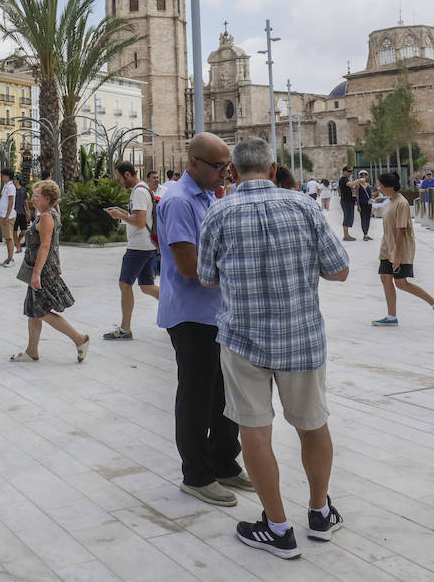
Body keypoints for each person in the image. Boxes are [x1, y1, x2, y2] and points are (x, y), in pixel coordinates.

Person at [197, 136, 350, 560]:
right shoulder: (303, 205)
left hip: (243, 340)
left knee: (255, 431)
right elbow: (339, 270)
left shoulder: (218, 212)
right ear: (271, 167)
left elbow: (207, 278)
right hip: (301, 337)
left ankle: (278, 528)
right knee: (313, 425)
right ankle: (320, 513)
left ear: (234, 171)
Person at [157, 133, 253, 509]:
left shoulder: (209, 198)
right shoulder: (180, 202)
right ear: (193, 163)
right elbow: (188, 266)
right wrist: (241, 268)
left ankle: (224, 462)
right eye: (217, 167)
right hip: (192, 316)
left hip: (216, 312)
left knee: (224, 394)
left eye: (226, 166)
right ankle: (196, 475)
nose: (224, 174)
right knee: (196, 397)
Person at [9, 179, 90, 363]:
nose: (33, 199)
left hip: (43, 271)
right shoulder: (50, 212)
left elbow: (45, 246)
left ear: (46, 198)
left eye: (36, 196)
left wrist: (36, 273)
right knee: (33, 310)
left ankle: (79, 339)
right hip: (41, 268)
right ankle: (32, 351)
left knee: (41, 311)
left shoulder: (46, 217)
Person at [371, 172, 434, 328]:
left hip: (401, 249)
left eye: (382, 186)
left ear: (390, 186)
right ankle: (391, 316)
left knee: (401, 283)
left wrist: (397, 256)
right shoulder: (389, 201)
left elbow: (401, 231)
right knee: (385, 278)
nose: (380, 189)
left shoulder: (401, 203)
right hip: (387, 247)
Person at [103, 161, 160, 341]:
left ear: (127, 174)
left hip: (138, 246)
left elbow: (140, 222)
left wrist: (119, 216)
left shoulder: (139, 192)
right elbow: (138, 217)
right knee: (146, 286)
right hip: (147, 245)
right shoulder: (143, 189)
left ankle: (125, 329)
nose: (118, 182)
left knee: (124, 284)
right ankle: (178, 307)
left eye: (119, 178)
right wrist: (121, 211)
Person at [0, 169, 18, 266]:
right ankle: (8, 258)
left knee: (9, 238)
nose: (2, 177)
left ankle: (11, 259)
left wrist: (7, 216)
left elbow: (11, 202)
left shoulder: (10, 187)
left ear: (7, 176)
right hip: (3, 214)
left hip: (8, 216)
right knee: (7, 237)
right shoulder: (6, 186)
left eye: (3, 175)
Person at [353, 171, 374, 241]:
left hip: (369, 204)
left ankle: (366, 234)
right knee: (363, 218)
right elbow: (357, 195)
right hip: (362, 204)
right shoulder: (357, 185)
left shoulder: (368, 184)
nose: (363, 176)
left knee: (368, 218)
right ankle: (365, 234)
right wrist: (358, 205)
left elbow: (370, 194)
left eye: (364, 175)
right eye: (361, 175)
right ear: (359, 177)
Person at [337, 166, 356, 241]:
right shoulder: (343, 179)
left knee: (349, 216)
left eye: (351, 171)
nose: (350, 173)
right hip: (346, 201)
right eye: (349, 171)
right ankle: (346, 235)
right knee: (347, 216)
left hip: (349, 200)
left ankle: (347, 234)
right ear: (344, 172)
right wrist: (359, 180)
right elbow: (350, 185)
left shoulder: (346, 179)